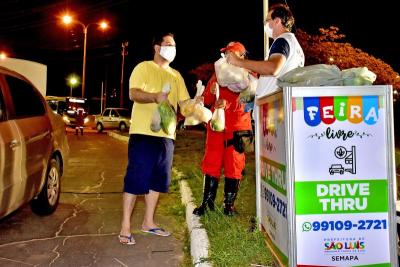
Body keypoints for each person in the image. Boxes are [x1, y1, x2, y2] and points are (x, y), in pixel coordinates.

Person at [119, 32, 190, 245]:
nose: (172, 48)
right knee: (136, 179)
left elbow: (184, 106)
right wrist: (154, 96)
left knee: (158, 180)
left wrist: (197, 103)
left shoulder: (177, 75)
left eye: (174, 45)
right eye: (168, 44)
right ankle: (125, 227)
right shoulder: (143, 67)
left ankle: (148, 222)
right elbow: (133, 93)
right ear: (157, 48)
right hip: (143, 133)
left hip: (167, 136)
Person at [193, 42, 254, 216]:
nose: (226, 57)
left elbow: (250, 98)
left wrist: (228, 103)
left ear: (241, 56)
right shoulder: (218, 73)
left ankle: (229, 206)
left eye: (230, 53)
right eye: (226, 54)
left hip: (238, 126)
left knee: (234, 165)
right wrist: (212, 92)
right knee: (211, 162)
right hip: (217, 126)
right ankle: (207, 203)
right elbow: (206, 99)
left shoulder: (250, 74)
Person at [226, 3, 304, 98]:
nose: (265, 24)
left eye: (267, 20)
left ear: (277, 21)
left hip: (275, 106)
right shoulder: (295, 45)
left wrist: (238, 61)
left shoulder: (282, 40)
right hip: (283, 102)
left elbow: (272, 68)